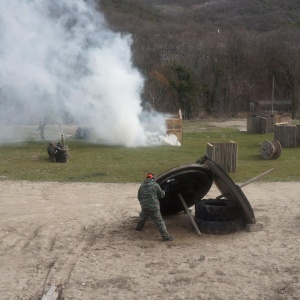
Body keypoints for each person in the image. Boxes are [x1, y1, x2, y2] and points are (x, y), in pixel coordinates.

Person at [136, 173, 173, 241]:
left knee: (142, 217)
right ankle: (166, 237)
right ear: (153, 178)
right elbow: (161, 195)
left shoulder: (142, 186)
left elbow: (139, 197)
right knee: (159, 222)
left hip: (144, 206)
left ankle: (138, 228)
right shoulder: (155, 185)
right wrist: (164, 191)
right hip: (154, 207)